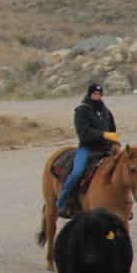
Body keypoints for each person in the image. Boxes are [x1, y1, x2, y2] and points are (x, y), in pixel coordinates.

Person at [56, 80, 119, 218]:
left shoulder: (106, 112)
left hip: (105, 150)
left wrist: (115, 142)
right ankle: (62, 203)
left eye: (99, 93)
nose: (97, 96)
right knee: (77, 173)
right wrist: (102, 134)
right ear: (90, 94)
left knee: (122, 171)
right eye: (94, 93)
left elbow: (113, 130)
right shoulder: (81, 111)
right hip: (87, 149)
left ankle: (122, 205)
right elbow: (83, 133)